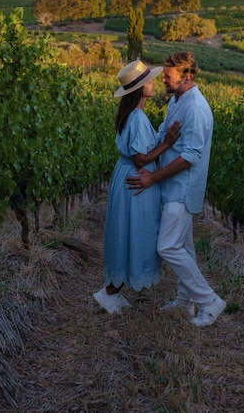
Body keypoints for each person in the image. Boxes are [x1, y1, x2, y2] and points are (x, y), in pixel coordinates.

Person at [126, 51, 226, 327]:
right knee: (182, 245)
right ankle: (185, 301)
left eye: (169, 77)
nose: (165, 82)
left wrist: (153, 177)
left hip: (182, 189)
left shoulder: (195, 108)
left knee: (167, 246)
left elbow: (190, 156)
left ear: (187, 77)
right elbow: (164, 135)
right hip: (171, 187)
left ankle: (209, 301)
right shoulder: (176, 99)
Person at [93, 59, 180, 315]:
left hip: (125, 176)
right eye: (148, 81)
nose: (153, 84)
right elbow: (141, 158)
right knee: (134, 230)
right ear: (138, 89)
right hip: (135, 178)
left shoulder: (128, 114)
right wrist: (167, 142)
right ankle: (109, 293)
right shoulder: (138, 117)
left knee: (123, 231)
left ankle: (113, 291)